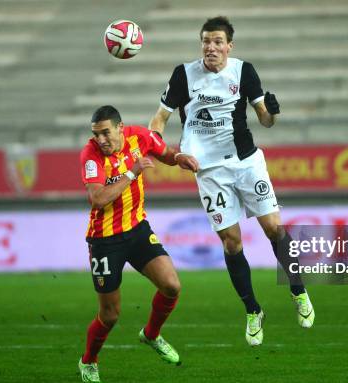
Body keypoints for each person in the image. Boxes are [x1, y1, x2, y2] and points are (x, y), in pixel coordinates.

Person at [148, 16, 314, 347]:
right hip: (208, 171)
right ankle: (253, 311)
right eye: (206, 41)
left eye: (217, 42)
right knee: (231, 243)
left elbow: (264, 120)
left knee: (274, 230)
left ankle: (298, 290)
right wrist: (156, 146)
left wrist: (273, 112)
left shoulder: (243, 71)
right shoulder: (183, 74)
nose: (211, 47)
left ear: (229, 46)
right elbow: (160, 118)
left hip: (246, 163)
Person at [77, 105, 198, 382]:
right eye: (96, 134)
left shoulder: (139, 137)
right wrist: (132, 173)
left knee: (171, 285)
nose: (101, 140)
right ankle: (89, 361)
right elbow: (98, 198)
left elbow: (165, 153)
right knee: (110, 315)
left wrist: (180, 157)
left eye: (106, 133)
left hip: (137, 229)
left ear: (120, 128)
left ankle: (152, 335)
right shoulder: (91, 155)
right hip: (104, 240)